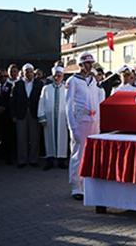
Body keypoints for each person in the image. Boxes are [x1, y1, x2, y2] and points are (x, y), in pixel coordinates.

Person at [66, 52, 102, 200]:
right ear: (80, 65)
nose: (89, 66)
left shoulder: (92, 80)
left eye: (91, 63)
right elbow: (68, 105)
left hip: (93, 120)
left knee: (90, 153)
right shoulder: (73, 80)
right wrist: (72, 126)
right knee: (78, 153)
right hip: (80, 120)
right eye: (86, 63)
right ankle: (76, 185)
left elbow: (97, 101)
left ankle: (87, 182)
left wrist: (99, 122)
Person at [11, 63, 44, 168]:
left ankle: (34, 159)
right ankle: (22, 160)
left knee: (34, 138)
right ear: (23, 72)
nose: (29, 73)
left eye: (30, 71)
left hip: (35, 114)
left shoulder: (39, 84)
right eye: (27, 71)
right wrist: (13, 115)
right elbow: (12, 101)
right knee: (21, 138)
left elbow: (42, 100)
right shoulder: (17, 84)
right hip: (21, 114)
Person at [37, 66, 69, 171]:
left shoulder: (67, 88)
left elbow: (70, 103)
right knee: (49, 138)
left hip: (62, 118)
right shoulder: (46, 88)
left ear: (63, 76)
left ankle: (61, 160)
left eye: (59, 76)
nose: (57, 78)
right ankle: (49, 160)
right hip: (49, 118)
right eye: (55, 76)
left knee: (62, 139)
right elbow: (41, 102)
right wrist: (41, 116)